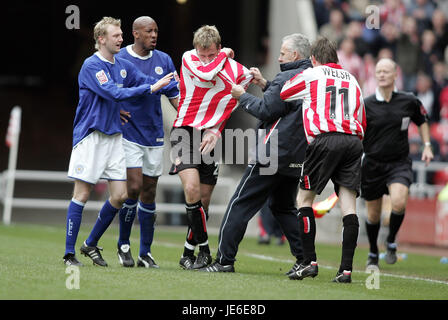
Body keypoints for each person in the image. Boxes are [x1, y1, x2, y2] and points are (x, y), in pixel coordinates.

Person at [62, 17, 173, 267]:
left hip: (114, 137)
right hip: (91, 136)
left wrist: (165, 85)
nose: (120, 39)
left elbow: (142, 81)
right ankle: (69, 253)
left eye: (121, 35)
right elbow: (114, 92)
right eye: (115, 36)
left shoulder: (120, 65)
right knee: (82, 194)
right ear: (101, 39)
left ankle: (90, 243)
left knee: (121, 195)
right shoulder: (92, 66)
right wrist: (152, 88)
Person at [198, 33, 312, 274]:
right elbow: (287, 104)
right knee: (284, 207)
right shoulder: (310, 77)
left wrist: (241, 96)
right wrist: (265, 85)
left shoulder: (286, 76)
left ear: (295, 55)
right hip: (296, 156)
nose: (279, 57)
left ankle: (224, 261)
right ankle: (305, 260)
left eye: (282, 53)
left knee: (240, 204)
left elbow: (265, 109)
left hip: (272, 154)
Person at [280, 37, 366, 283]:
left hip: (324, 139)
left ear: (314, 59)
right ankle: (346, 270)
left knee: (304, 199)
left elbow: (285, 93)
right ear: (336, 58)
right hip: (353, 141)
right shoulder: (353, 80)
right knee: (348, 205)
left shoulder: (312, 73)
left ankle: (308, 262)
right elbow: (362, 117)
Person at [169, 25, 252, 270]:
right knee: (192, 190)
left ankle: (187, 253)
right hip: (184, 131)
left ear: (216, 48)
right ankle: (205, 251)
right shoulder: (189, 58)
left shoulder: (230, 67)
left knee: (203, 202)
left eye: (210, 55)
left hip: (210, 137)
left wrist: (217, 127)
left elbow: (245, 82)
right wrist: (224, 55)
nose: (204, 59)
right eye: (201, 54)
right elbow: (206, 74)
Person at [114, 16, 179, 268]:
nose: (154, 35)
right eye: (149, 31)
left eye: (156, 31)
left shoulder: (164, 60)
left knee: (150, 191)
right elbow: (110, 92)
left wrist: (191, 118)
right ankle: (123, 246)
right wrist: (114, 109)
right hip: (128, 133)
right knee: (133, 187)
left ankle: (145, 252)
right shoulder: (120, 59)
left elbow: (175, 97)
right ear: (136, 34)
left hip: (153, 134)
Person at [361, 58, 434, 267]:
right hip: (372, 164)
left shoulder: (408, 100)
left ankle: (391, 240)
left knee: (399, 201)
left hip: (398, 163)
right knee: (373, 215)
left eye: (386, 71)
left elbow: (422, 121)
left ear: (395, 74)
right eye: (379, 71)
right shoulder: (365, 104)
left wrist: (427, 145)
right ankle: (374, 251)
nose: (382, 74)